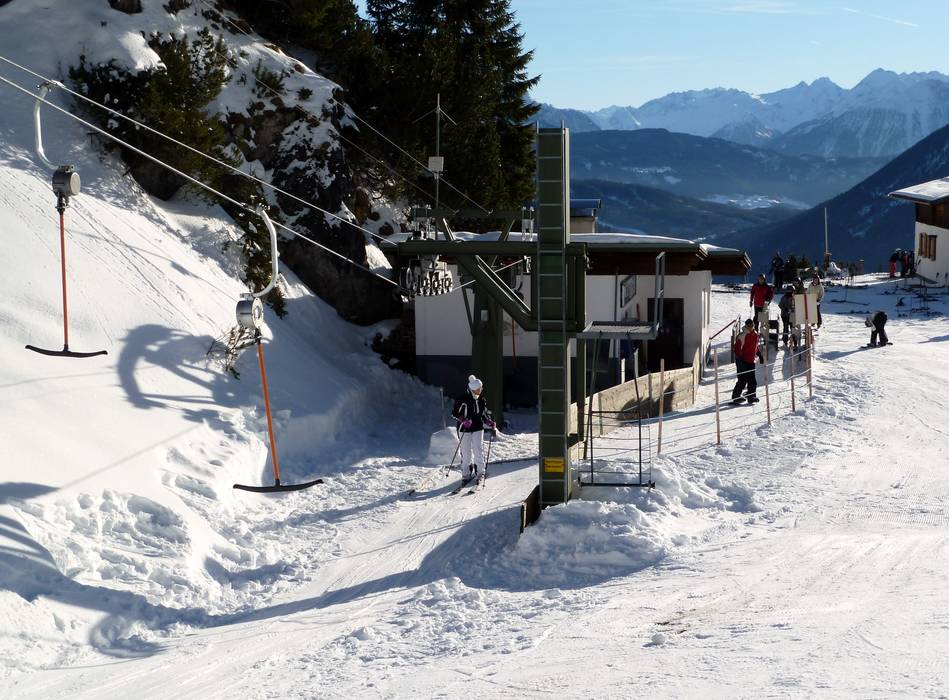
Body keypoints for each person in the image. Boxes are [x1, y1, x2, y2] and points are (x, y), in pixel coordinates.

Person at [451, 374, 494, 480]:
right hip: (464, 428)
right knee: (466, 451)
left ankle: (480, 471)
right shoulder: (462, 399)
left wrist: (488, 421)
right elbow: (454, 413)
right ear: (473, 389)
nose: (481, 390)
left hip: (478, 427)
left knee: (478, 449)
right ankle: (466, 472)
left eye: (481, 388)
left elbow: (483, 414)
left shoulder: (481, 399)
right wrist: (463, 420)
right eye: (479, 389)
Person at [732, 319, 764, 404]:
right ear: (746, 326)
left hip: (750, 360)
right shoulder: (742, 336)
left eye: (752, 326)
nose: (750, 327)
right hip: (742, 360)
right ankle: (736, 396)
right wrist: (740, 359)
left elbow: (755, 347)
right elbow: (736, 349)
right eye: (748, 326)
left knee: (752, 380)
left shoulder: (755, 334)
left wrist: (759, 355)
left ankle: (751, 396)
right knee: (742, 379)